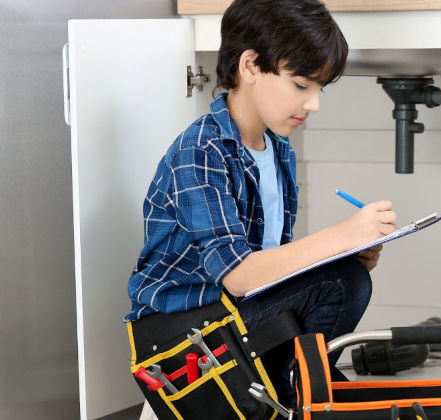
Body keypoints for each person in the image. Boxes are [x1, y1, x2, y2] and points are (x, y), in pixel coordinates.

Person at [124, 0, 395, 406]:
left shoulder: (278, 149)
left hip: (237, 314)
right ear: (250, 66)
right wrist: (340, 236)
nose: (314, 103)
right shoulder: (201, 150)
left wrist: (349, 251)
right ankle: (294, 390)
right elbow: (239, 276)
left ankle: (296, 386)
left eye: (320, 89)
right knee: (342, 283)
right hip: (182, 337)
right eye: (302, 85)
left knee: (345, 276)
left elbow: (269, 270)